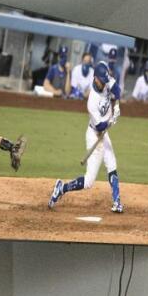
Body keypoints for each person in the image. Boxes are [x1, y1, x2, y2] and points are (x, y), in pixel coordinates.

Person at [47, 46, 125, 213]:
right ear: (95, 78)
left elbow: (117, 90)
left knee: (112, 164)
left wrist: (117, 104)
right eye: (102, 80)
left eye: (106, 80)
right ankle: (61, 188)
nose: (105, 83)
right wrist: (111, 120)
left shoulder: (105, 78)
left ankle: (117, 201)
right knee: (89, 181)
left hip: (105, 134)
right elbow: (100, 126)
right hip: (95, 135)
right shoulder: (92, 101)